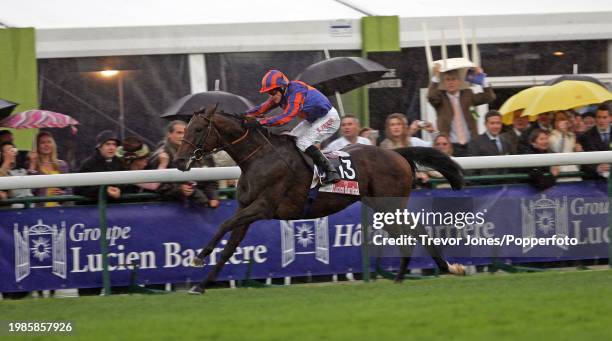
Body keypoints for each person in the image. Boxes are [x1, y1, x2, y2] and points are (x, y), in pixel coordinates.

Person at [243, 70, 342, 184]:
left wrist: (260, 122)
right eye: (269, 93)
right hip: (312, 120)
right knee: (289, 140)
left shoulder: (297, 91)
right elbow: (261, 109)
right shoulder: (280, 94)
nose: (271, 96)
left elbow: (286, 117)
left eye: (273, 92)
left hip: (329, 118)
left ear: (282, 88)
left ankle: (331, 172)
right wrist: (243, 116)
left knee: (303, 143)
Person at [427, 64, 496, 156]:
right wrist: (436, 77)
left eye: (453, 79)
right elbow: (430, 96)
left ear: (459, 82)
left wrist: (481, 77)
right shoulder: (440, 98)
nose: (451, 82)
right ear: (443, 83)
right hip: (450, 146)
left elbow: (489, 97)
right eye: (448, 80)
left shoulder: (468, 94)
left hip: (471, 144)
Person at [149, 120, 220, 207]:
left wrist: (213, 197)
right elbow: (157, 185)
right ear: (169, 134)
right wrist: (179, 190)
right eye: (179, 133)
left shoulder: (200, 152)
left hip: (203, 204)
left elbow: (211, 178)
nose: (183, 136)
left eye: (186, 132)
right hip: (172, 206)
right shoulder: (161, 155)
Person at [73, 130, 125, 200]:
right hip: (93, 209)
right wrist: (104, 190)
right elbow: (78, 189)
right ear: (99, 146)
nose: (112, 147)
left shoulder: (119, 162)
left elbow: (126, 184)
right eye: (107, 144)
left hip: (116, 208)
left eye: (114, 144)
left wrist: (119, 189)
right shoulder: (89, 164)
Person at [26, 131, 71, 207]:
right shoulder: (31, 165)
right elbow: (30, 191)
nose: (46, 145)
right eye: (43, 142)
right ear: (37, 146)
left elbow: (69, 190)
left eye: (49, 142)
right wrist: (32, 164)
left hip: (59, 210)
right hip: (39, 210)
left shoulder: (62, 165)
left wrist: (62, 194)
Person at [578, 104, 611, 179]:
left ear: (610, 118)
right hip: (594, 181)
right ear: (595, 118)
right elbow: (583, 162)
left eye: (604, 117)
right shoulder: (586, 136)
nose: (601, 120)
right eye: (599, 117)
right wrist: (597, 168)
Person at [548, 111, 582, 181]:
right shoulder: (551, 136)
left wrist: (578, 150)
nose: (563, 121)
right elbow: (557, 149)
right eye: (559, 119)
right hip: (560, 172)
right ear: (555, 123)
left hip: (574, 171)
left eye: (564, 119)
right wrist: (563, 135)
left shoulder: (572, 135)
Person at [0, 141, 33, 207]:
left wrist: (33, 161)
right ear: (2, 154)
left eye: (13, 150)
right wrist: (7, 162)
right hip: (15, 210)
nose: (12, 153)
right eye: (8, 151)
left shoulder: (22, 170)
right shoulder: (3, 171)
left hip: (31, 206)